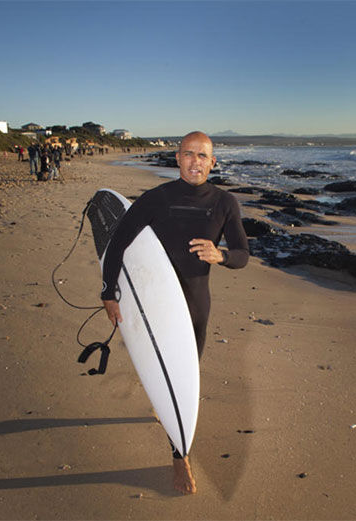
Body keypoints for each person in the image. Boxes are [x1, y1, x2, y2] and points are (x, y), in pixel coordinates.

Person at [100, 131, 249, 494]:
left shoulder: (225, 203)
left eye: (203, 156)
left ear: (213, 162)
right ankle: (179, 457)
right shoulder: (156, 199)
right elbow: (116, 244)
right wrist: (109, 292)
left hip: (196, 305)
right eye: (188, 154)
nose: (195, 162)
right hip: (156, 304)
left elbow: (242, 254)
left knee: (184, 376)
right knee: (164, 370)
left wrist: (222, 255)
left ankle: (172, 428)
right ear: (177, 158)